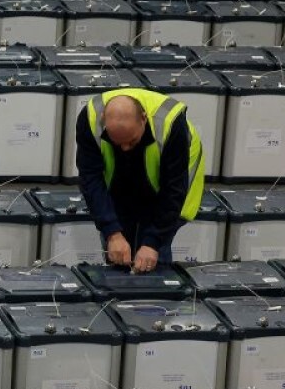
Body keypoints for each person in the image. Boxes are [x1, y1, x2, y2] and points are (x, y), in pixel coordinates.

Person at [75, 87, 206, 273]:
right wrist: (112, 233)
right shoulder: (90, 119)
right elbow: (90, 179)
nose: (126, 148)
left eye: (132, 141)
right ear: (104, 120)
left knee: (153, 258)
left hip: (164, 191)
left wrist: (152, 243)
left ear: (144, 118)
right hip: (119, 187)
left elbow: (174, 190)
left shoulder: (171, 124)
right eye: (117, 143)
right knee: (118, 254)